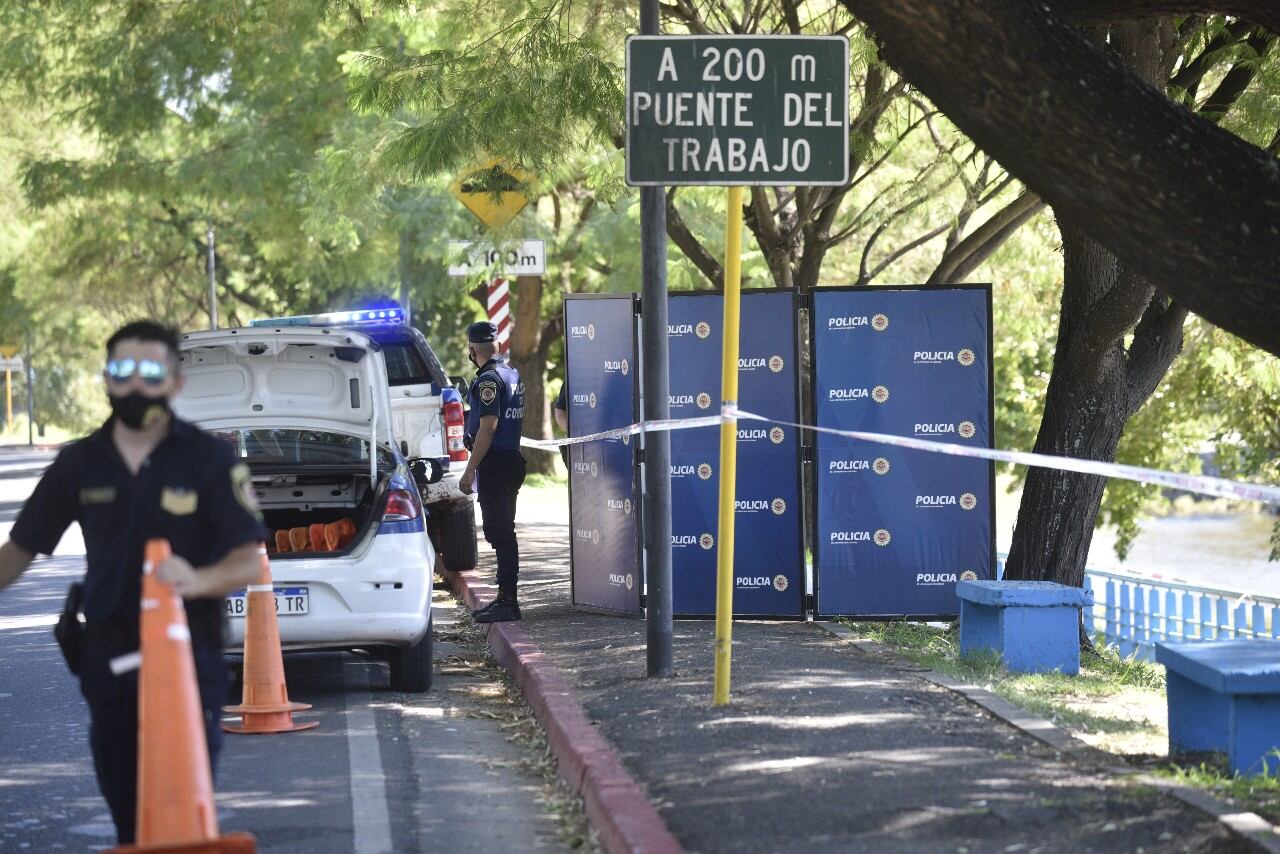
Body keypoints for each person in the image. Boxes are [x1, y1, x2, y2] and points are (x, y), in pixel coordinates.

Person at [0, 320, 266, 845]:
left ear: (175, 382)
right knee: (128, 809)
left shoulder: (210, 459)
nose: (136, 384)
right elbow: (18, 553)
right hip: (108, 657)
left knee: (183, 803)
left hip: (192, 655)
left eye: (151, 371)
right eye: (123, 371)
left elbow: (248, 564)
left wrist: (197, 578)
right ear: (105, 379)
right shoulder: (79, 463)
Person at [460, 321, 527, 623]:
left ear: (472, 350)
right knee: (502, 531)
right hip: (510, 460)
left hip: (496, 465)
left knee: (500, 533)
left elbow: (488, 428)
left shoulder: (488, 380)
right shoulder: (511, 374)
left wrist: (469, 470)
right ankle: (504, 598)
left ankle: (508, 601)